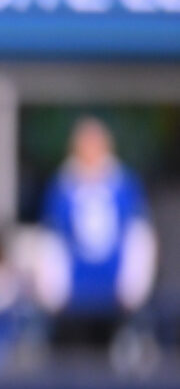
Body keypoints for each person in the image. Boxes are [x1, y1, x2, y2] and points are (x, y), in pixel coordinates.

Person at [34, 115, 158, 356]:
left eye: (95, 144)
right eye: (85, 145)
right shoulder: (61, 186)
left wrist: (134, 287)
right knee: (73, 362)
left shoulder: (124, 185)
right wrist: (52, 290)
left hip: (115, 299)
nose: (90, 151)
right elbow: (51, 240)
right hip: (73, 301)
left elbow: (139, 237)